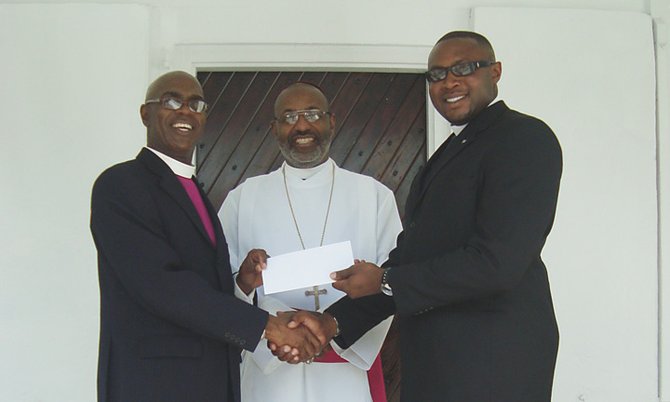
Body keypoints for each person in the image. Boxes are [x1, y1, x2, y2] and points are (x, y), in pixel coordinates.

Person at [286, 31, 563, 402]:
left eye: (463, 68)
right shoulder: (449, 153)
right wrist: (331, 321)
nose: (448, 82)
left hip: (493, 363)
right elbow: (411, 259)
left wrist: (385, 279)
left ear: (495, 72)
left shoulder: (523, 138)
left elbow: (498, 263)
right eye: (436, 75)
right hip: (440, 366)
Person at [90, 71, 321, 402]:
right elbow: (161, 284)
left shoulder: (194, 191)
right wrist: (266, 325)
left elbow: (202, 288)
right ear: (145, 114)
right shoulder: (121, 185)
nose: (185, 111)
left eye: (196, 104)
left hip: (210, 383)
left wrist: (241, 285)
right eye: (171, 101)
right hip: (152, 384)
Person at [219, 82, 402, 402]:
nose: (301, 125)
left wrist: (332, 332)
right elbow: (220, 286)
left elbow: (393, 281)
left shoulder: (372, 196)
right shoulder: (244, 199)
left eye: (312, 114)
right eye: (289, 117)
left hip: (347, 371)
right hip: (269, 372)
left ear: (331, 121)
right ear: (275, 129)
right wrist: (245, 282)